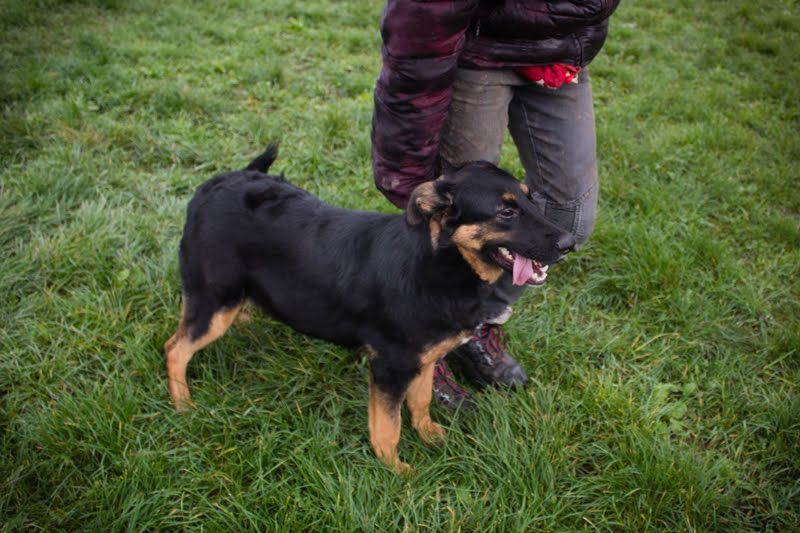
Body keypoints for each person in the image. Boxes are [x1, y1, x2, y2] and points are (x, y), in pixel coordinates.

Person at [371, 0, 620, 408]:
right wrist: (406, 164)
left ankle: (477, 322)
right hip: (476, 50)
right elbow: (419, 22)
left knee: (568, 217)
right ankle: (423, 344)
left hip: (559, 51)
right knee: (455, 227)